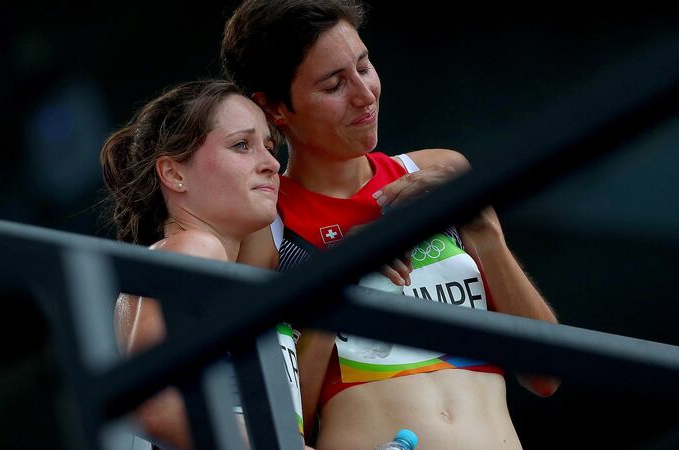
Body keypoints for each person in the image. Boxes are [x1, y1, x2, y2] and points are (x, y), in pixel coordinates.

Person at [222, 1, 561, 448]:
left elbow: (546, 374)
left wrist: (484, 231)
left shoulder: (442, 172)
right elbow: (282, 424)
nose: (364, 94)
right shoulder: (267, 223)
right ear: (274, 109)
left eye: (364, 66)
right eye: (333, 84)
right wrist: (337, 283)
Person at [101, 79, 297, 449]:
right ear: (174, 174)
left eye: (269, 147)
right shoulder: (194, 247)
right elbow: (151, 402)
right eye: (242, 145)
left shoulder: (209, 266)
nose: (272, 163)